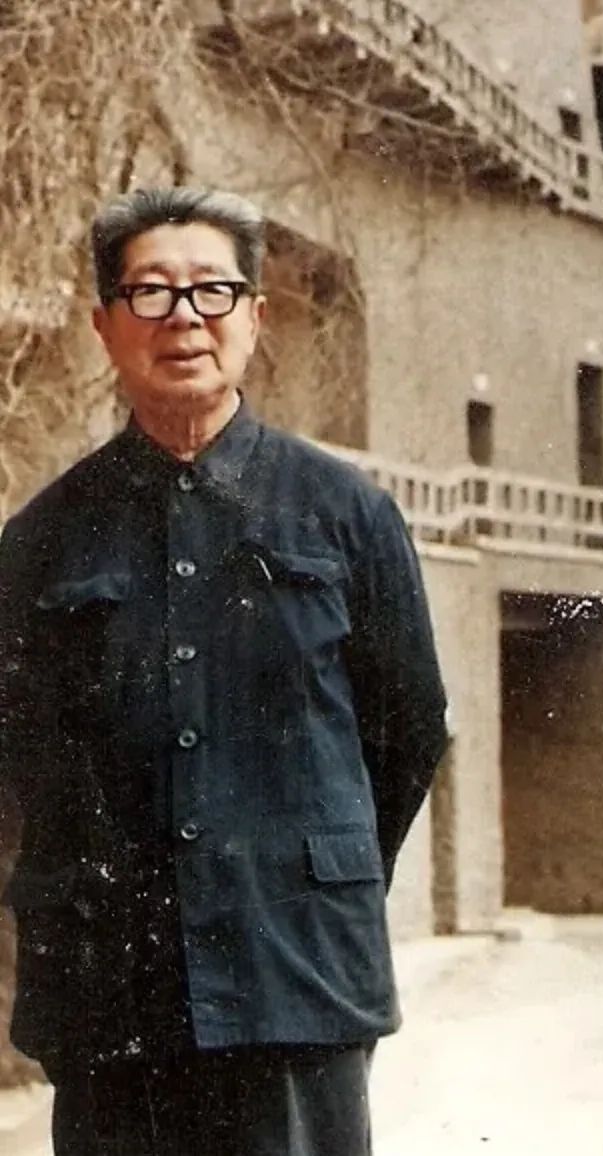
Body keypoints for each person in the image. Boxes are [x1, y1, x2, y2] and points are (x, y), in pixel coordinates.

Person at [0, 187, 448, 1155]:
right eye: (150, 293)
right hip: (114, 996)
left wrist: (302, 878)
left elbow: (408, 729)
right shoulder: (41, 541)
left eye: (212, 290)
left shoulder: (347, 516)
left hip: (293, 976)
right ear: (105, 326)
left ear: (255, 316)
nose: (185, 319)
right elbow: (21, 760)